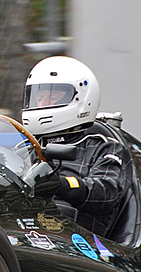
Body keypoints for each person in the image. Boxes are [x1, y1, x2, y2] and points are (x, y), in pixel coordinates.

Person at [21, 56, 134, 237]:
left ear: (82, 99)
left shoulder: (105, 146)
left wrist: (61, 184)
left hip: (75, 236)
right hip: (24, 224)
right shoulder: (26, 147)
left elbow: (107, 192)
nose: (42, 104)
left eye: (52, 97)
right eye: (39, 98)